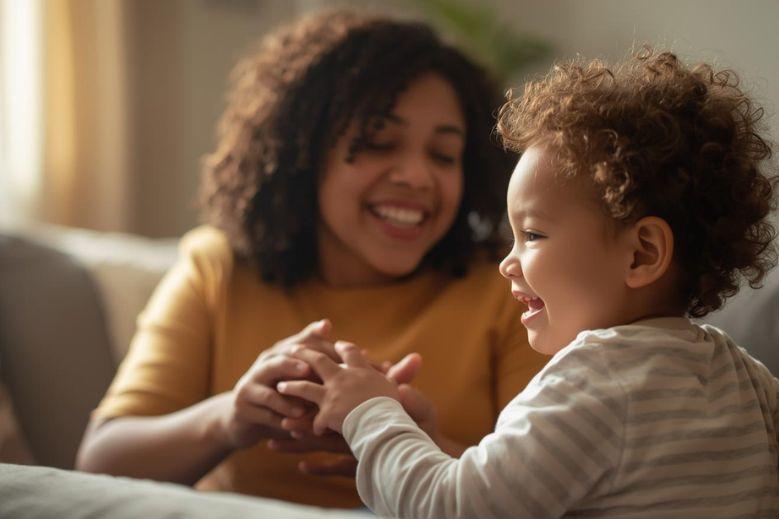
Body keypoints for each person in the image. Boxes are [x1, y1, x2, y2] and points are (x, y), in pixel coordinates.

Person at [75, 9, 547, 509]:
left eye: (444, 155)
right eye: (378, 142)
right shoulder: (219, 269)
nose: (416, 176)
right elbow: (101, 461)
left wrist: (403, 445)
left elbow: (541, 493)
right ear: (301, 153)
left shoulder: (510, 284)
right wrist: (231, 417)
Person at [278, 50, 779, 517]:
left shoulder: (594, 378)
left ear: (642, 253)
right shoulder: (742, 374)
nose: (507, 263)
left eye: (533, 234)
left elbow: (452, 507)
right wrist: (420, 441)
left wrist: (370, 413)